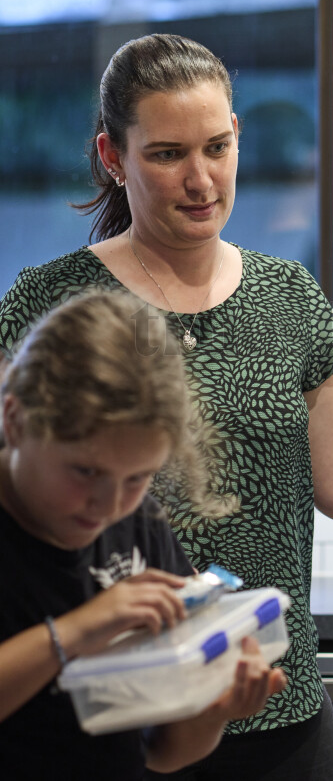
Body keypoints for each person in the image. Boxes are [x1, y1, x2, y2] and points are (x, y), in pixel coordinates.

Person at [0, 33, 333, 781]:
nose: (201, 179)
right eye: (168, 154)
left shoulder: (287, 295)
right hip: (113, 720)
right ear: (113, 157)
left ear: (238, 135)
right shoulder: (51, 304)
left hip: (276, 702)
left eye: (216, 146)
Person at [0, 290, 286, 781]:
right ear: (16, 420)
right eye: (85, 471)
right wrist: (76, 631)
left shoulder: (138, 524)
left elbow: (162, 752)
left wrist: (213, 708)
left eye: (137, 478)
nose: (110, 507)